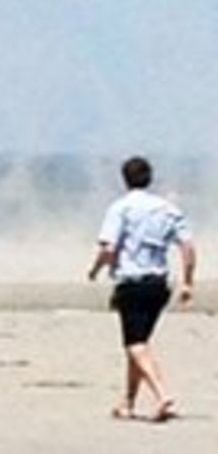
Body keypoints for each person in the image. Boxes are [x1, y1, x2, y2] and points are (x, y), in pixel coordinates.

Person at [87, 156, 196, 422]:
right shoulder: (167, 209)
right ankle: (128, 402)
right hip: (159, 285)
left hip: (133, 283)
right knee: (139, 343)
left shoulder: (121, 208)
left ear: (124, 179)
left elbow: (109, 247)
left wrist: (96, 269)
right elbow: (188, 247)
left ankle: (162, 395)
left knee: (135, 344)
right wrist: (188, 282)